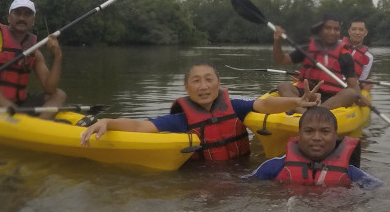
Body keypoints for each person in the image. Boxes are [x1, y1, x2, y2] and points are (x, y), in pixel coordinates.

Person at [79, 61, 319, 160]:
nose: (203, 86)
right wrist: (108, 121)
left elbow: (263, 104)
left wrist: (296, 103)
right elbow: (142, 126)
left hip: (240, 173)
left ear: (218, 82)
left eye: (208, 79)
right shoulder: (182, 119)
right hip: (203, 182)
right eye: (196, 81)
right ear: (186, 87)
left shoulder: (235, 107)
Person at [247, 106, 379, 186]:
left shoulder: (351, 173)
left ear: (335, 135)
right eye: (309, 131)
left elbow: (380, 190)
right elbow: (245, 183)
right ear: (299, 134)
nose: (316, 137)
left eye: (325, 131)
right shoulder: (274, 167)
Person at [272, 12, 364, 109]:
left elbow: (353, 86)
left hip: (330, 98)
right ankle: (301, 110)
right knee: (284, 86)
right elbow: (281, 60)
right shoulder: (307, 49)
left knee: (351, 93)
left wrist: (359, 96)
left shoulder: (345, 55)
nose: (332, 32)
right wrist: (277, 41)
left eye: (336, 29)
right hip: (304, 93)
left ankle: (318, 111)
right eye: (328, 28)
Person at [347, 18, 374, 88]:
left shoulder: (369, 57)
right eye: (354, 29)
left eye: (361, 30)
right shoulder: (337, 46)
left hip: (350, 90)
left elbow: (361, 80)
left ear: (366, 33)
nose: (357, 33)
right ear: (349, 31)